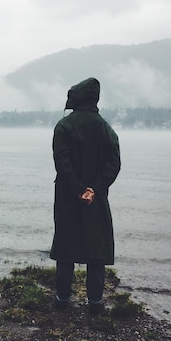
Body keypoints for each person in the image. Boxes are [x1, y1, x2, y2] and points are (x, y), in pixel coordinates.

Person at [50, 77, 121, 315]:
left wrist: (78, 189)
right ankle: (95, 302)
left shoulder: (64, 126)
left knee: (65, 246)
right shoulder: (106, 129)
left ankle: (62, 299)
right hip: (96, 199)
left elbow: (62, 163)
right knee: (96, 249)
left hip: (68, 197)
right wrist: (95, 189)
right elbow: (114, 164)